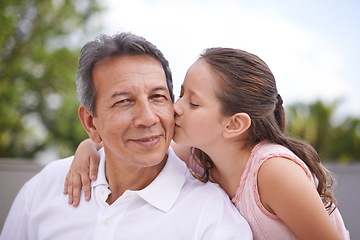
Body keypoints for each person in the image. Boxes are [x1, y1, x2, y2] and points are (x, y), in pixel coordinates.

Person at [65, 47, 350, 239]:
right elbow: (132, 143)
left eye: (194, 103)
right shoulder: (199, 152)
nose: (175, 107)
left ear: (233, 124)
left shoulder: (273, 171)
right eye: (180, 94)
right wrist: (87, 147)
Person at [0, 33, 253, 240]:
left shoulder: (215, 221)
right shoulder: (44, 188)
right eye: (124, 101)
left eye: (157, 97)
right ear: (90, 122)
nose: (148, 118)